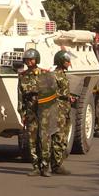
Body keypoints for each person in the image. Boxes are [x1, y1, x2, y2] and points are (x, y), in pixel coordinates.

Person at [18, 49, 58, 177]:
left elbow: (52, 93)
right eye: (27, 60)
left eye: (32, 59)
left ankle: (46, 167)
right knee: (32, 140)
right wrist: (22, 112)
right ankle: (36, 166)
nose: (29, 61)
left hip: (44, 111)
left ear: (37, 60)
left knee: (44, 138)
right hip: (31, 112)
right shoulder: (23, 76)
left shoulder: (44, 74)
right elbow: (20, 96)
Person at [49, 50, 74, 176]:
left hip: (65, 109)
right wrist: (64, 96)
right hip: (57, 110)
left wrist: (69, 97)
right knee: (58, 136)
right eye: (67, 61)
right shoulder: (54, 75)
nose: (69, 64)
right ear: (60, 61)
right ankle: (56, 165)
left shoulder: (62, 75)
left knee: (63, 136)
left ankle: (57, 162)